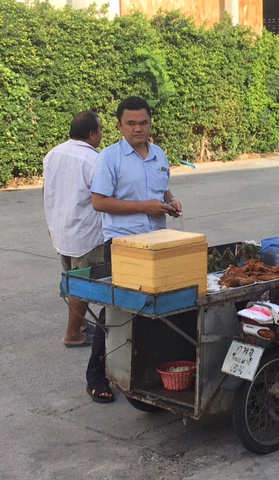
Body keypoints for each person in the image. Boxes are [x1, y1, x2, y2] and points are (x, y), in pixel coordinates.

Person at [86, 96, 182, 403]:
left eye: (143, 123)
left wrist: (171, 201)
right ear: (119, 126)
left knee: (153, 309)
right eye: (131, 124)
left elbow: (161, 188)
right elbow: (99, 202)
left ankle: (141, 370)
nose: (138, 129)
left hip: (158, 242)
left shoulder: (159, 154)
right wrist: (146, 207)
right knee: (117, 309)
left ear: (150, 123)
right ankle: (97, 375)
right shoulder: (110, 158)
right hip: (123, 244)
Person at [43, 111, 104, 348]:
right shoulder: (94, 160)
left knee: (71, 279)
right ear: (91, 133)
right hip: (84, 233)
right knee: (82, 284)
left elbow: (46, 189)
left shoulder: (53, 153)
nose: (101, 135)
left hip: (60, 228)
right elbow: (102, 196)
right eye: (100, 131)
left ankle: (79, 324)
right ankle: (72, 334)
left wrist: (50, 221)